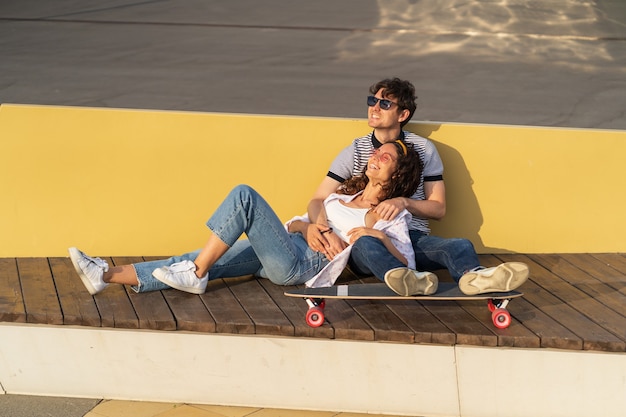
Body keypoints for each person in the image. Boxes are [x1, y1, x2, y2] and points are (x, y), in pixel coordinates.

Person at [69, 141, 439, 296]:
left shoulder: (390, 212)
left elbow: (403, 262)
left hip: (300, 265)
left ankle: (196, 274)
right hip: (288, 244)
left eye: (386, 158)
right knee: (195, 258)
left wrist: (365, 235)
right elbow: (295, 221)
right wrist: (309, 226)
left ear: (398, 175)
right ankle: (104, 274)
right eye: (376, 153)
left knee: (244, 195)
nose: (376, 157)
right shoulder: (344, 196)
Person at [306, 77, 529, 296]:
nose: (374, 108)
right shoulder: (355, 150)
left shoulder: (424, 149)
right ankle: (407, 279)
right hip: (365, 236)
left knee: (460, 245)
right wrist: (323, 230)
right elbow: (318, 199)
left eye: (385, 104)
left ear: (403, 115)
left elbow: (438, 208)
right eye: (372, 101)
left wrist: (403, 202)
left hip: (409, 237)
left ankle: (475, 277)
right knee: (366, 243)